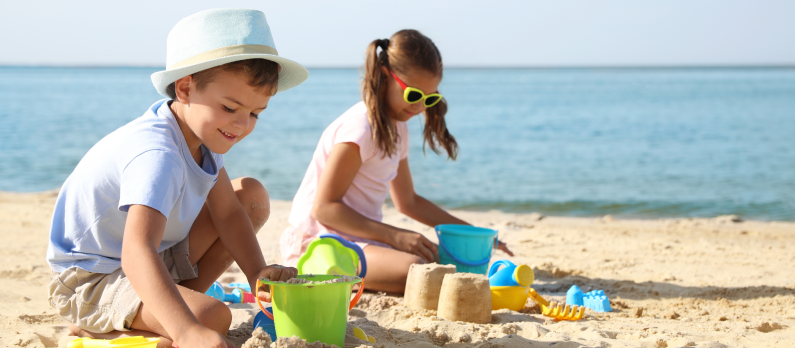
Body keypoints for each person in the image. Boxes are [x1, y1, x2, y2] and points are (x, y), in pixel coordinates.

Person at [45, 9, 307, 348]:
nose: (242, 125)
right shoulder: (158, 155)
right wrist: (187, 332)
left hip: (148, 262)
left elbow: (228, 214)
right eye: (230, 108)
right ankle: (110, 325)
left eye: (255, 113)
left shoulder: (204, 136)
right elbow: (137, 251)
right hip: (91, 279)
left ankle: (167, 312)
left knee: (249, 197)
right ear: (185, 89)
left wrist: (256, 272)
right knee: (212, 318)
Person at [280, 30, 513, 294]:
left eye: (429, 98)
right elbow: (323, 209)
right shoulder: (360, 129)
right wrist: (396, 236)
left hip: (361, 240)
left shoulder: (397, 128)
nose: (419, 107)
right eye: (413, 95)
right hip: (320, 244)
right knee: (418, 268)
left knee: (437, 260)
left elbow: (408, 201)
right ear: (383, 75)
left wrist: (476, 235)